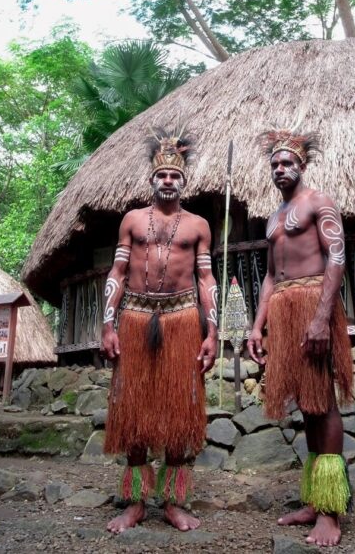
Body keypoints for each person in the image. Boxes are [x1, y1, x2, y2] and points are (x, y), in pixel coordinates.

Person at [100, 129, 218, 534]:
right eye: (162, 175)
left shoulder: (198, 225)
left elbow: (206, 278)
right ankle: (135, 503)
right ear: (152, 178)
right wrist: (108, 325)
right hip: (134, 317)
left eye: (175, 176)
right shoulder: (132, 220)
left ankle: (172, 501)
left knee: (180, 409)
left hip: (182, 319)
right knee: (133, 407)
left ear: (184, 181)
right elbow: (117, 272)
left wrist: (211, 332)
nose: (168, 181)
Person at [246, 129, 354, 547]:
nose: (280, 169)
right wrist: (258, 325)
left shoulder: (318, 201)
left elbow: (336, 257)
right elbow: (271, 275)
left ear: (302, 165)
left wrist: (321, 317)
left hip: (313, 303)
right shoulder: (274, 217)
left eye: (287, 162)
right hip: (284, 307)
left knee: (322, 400)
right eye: (274, 164)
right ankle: (314, 499)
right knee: (306, 403)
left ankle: (330, 512)